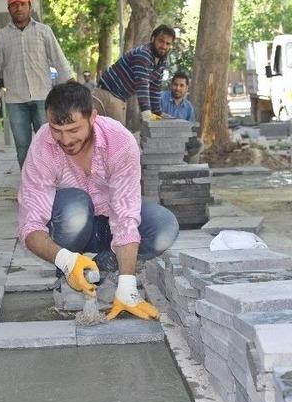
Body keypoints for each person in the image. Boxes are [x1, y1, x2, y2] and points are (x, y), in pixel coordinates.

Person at [18, 82, 179, 320]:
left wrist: (127, 286)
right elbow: (30, 225)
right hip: (71, 225)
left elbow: (125, 213)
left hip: (109, 225)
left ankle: (105, 268)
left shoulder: (120, 142)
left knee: (163, 226)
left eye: (74, 130)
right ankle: (71, 272)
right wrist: (65, 259)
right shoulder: (43, 146)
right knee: (75, 205)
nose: (65, 140)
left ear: (93, 117)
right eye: (56, 130)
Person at [0, 0, 72, 169]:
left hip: (43, 98)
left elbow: (59, 60)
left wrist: (71, 84)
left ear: (29, 7)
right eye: (14, 5)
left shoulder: (44, 31)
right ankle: (29, 186)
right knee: (23, 147)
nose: (19, 8)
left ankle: (53, 181)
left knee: (49, 143)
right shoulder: (1, 36)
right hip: (15, 100)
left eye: (23, 4)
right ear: (8, 8)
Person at [92, 25, 176, 125]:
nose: (164, 46)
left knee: (116, 135)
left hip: (118, 98)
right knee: (118, 137)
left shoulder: (162, 61)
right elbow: (142, 84)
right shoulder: (143, 54)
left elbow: (155, 88)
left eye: (168, 43)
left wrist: (157, 113)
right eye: (161, 41)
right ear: (153, 38)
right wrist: (146, 112)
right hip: (108, 94)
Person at [161, 71, 202, 157]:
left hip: (180, 139)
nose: (178, 88)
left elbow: (191, 128)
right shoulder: (161, 98)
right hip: (161, 137)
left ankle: (187, 168)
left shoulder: (188, 107)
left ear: (187, 88)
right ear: (171, 85)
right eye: (175, 84)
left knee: (198, 144)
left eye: (181, 85)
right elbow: (151, 117)